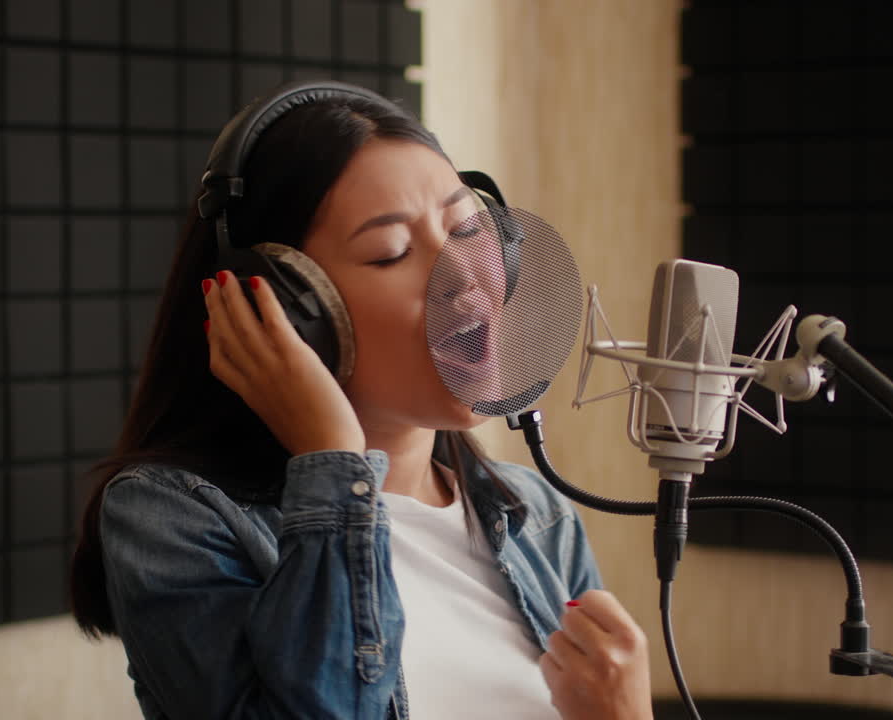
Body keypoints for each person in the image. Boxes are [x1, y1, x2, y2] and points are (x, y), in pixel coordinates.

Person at [69, 81, 653, 720]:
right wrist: (332, 459)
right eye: (391, 252)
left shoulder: (536, 514)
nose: (465, 276)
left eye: (466, 228)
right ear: (293, 306)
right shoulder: (173, 517)